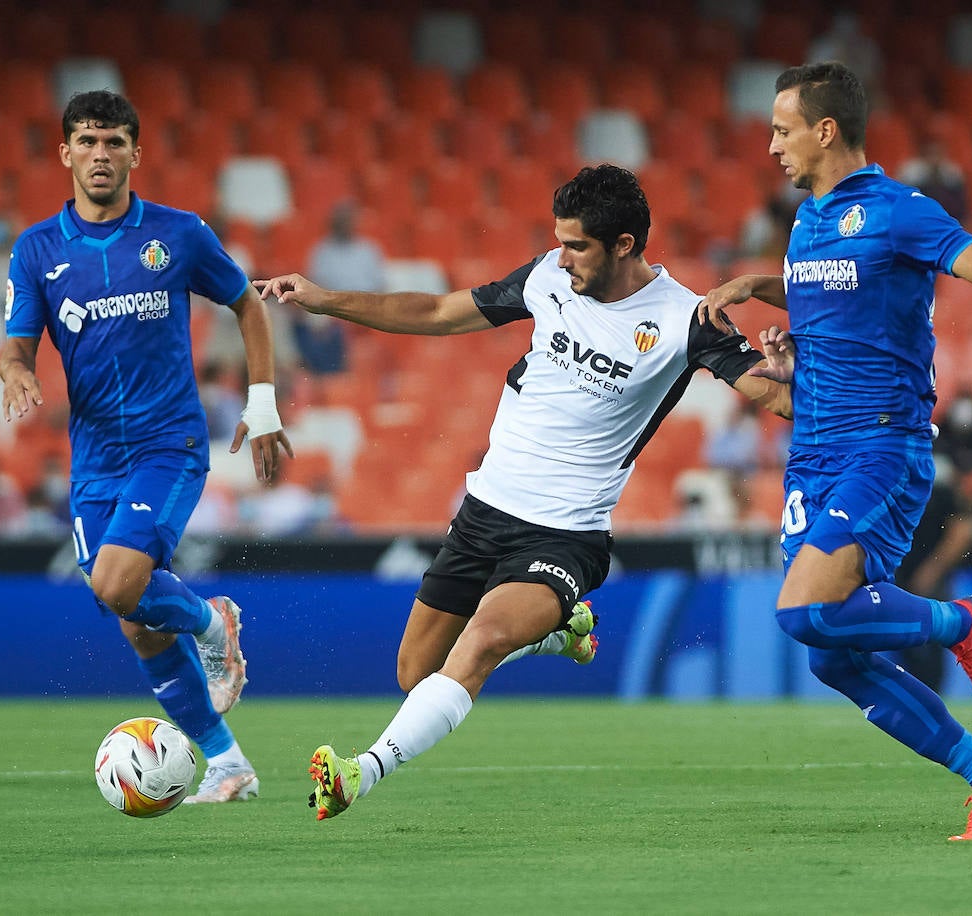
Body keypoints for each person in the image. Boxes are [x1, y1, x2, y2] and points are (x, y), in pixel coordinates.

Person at [255, 164, 795, 821]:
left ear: (624, 245)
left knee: (479, 643)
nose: (562, 257)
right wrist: (324, 299)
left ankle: (359, 773)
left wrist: (800, 370)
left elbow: (775, 399)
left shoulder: (685, 320)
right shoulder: (546, 277)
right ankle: (556, 632)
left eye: (577, 246)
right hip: (483, 515)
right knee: (415, 674)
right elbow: (436, 311)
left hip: (565, 534)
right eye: (559, 241)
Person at [700, 62, 972, 841]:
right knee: (830, 656)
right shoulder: (807, 221)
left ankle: (962, 622)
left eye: (782, 129)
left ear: (825, 130)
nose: (770, 146)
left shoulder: (900, 212)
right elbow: (824, 295)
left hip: (881, 444)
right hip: (814, 449)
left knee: (803, 612)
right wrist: (758, 291)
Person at [0, 90, 293, 805]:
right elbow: (15, 347)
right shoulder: (37, 249)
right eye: (89, 142)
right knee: (133, 619)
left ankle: (209, 620)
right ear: (66, 153)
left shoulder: (178, 234)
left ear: (136, 153)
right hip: (94, 456)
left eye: (115, 142)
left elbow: (247, 303)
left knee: (116, 585)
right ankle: (227, 763)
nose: (102, 155)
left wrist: (261, 403)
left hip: (169, 443)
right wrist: (17, 376)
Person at [894, 454, 972, 692]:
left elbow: (961, 533)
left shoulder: (941, 490)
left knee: (931, 636)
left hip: (929, 572)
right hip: (899, 574)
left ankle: (932, 694)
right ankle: (919, 693)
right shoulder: (897, 485)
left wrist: (933, 569)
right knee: (901, 636)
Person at [293, 200, 384, 375]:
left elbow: (379, 285)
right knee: (312, 320)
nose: (345, 224)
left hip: (365, 305)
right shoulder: (321, 251)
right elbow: (316, 285)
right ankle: (324, 374)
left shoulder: (369, 249)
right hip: (332, 307)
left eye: (348, 220)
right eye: (341, 220)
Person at [897, 137, 969, 222]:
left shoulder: (952, 170)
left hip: (947, 216)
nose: (934, 158)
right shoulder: (910, 170)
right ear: (923, 155)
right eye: (931, 154)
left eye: (937, 154)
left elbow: (960, 203)